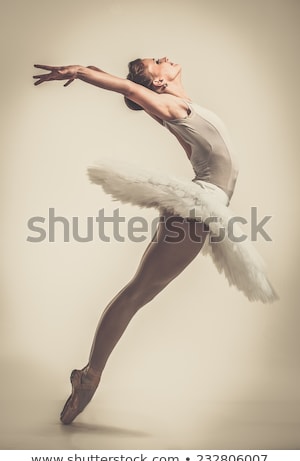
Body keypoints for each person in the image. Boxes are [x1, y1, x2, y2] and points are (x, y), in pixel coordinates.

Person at [33, 57, 277, 425]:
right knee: (137, 293)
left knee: (138, 293)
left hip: (201, 206)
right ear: (159, 83)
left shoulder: (178, 109)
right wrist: (81, 73)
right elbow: (131, 89)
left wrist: (89, 69)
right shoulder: (171, 105)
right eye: (155, 62)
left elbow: (134, 90)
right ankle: (90, 375)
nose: (163, 58)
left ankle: (88, 374)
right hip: (198, 207)